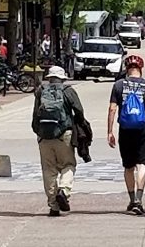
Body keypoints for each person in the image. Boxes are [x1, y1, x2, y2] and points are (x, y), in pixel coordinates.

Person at [107, 54, 145, 215]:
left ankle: (132, 198)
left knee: (128, 166)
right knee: (142, 164)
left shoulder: (118, 85)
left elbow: (112, 108)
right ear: (140, 69)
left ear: (126, 69)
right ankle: (139, 200)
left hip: (125, 129)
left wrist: (109, 132)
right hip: (144, 129)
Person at [32, 65, 85, 217]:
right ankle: (64, 189)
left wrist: (39, 132)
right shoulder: (68, 91)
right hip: (64, 134)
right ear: (62, 79)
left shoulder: (41, 91)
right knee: (68, 164)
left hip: (44, 136)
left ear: (49, 78)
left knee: (48, 170)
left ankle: (53, 205)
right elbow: (79, 111)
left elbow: (35, 115)